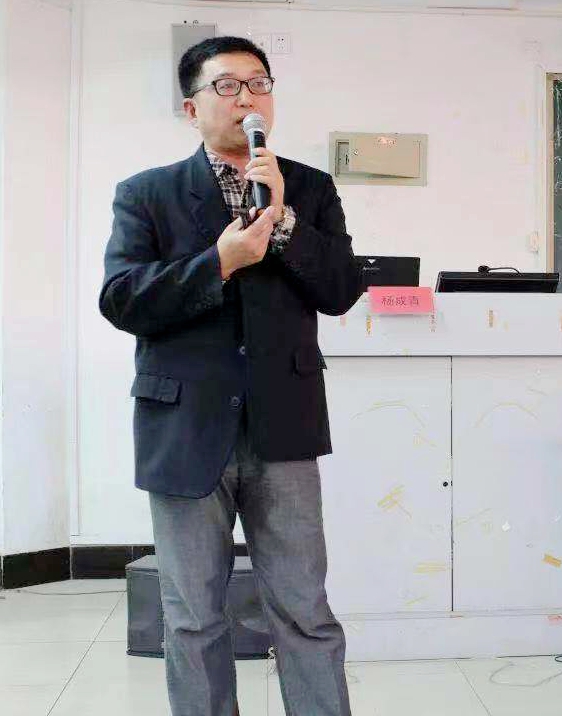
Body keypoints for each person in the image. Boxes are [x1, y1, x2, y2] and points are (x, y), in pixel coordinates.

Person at [99, 35, 361, 716]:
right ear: (191, 108)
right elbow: (122, 299)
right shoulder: (147, 193)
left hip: (285, 422)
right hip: (184, 425)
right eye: (227, 85)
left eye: (259, 83)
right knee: (193, 615)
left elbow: (341, 289)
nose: (248, 98)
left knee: (305, 609)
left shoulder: (308, 187)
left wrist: (286, 222)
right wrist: (218, 262)